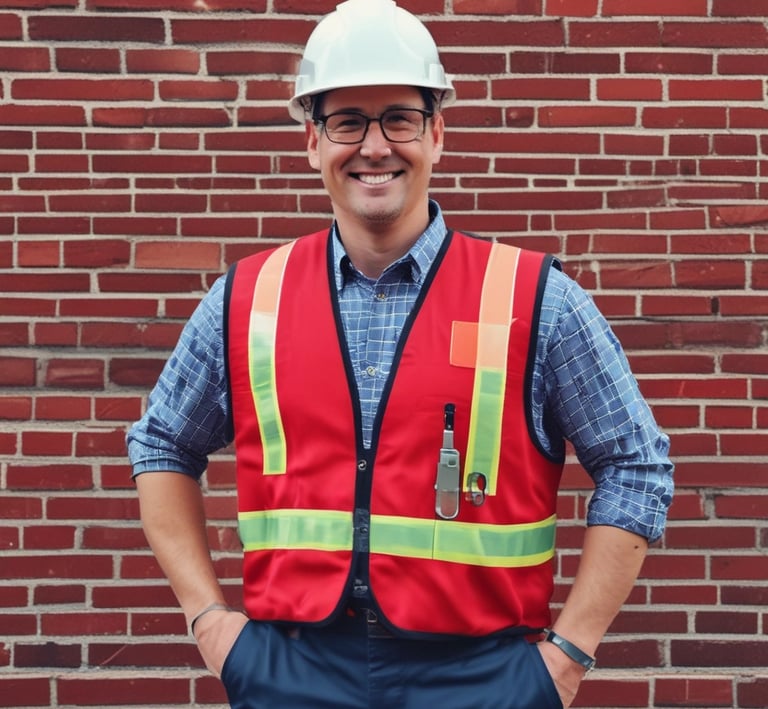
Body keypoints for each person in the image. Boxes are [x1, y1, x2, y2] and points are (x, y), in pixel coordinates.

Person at [127, 1, 674, 707]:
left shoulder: (536, 298)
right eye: (347, 121)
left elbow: (637, 463)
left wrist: (567, 655)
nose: (374, 146)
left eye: (399, 118)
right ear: (312, 142)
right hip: (291, 671)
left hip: (484, 677)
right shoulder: (246, 297)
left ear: (437, 133)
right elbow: (162, 443)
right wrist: (210, 622)